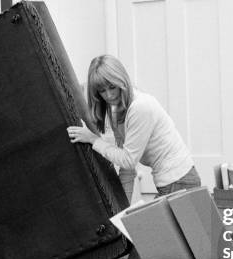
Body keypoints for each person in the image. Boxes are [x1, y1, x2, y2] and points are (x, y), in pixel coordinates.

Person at [67, 54, 201, 198]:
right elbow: (127, 169)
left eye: (112, 87)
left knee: (150, 221)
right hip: (174, 181)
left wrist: (93, 140)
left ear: (121, 80)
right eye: (102, 91)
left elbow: (128, 160)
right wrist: (122, 209)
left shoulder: (139, 107)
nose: (109, 95)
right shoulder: (118, 111)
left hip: (179, 181)